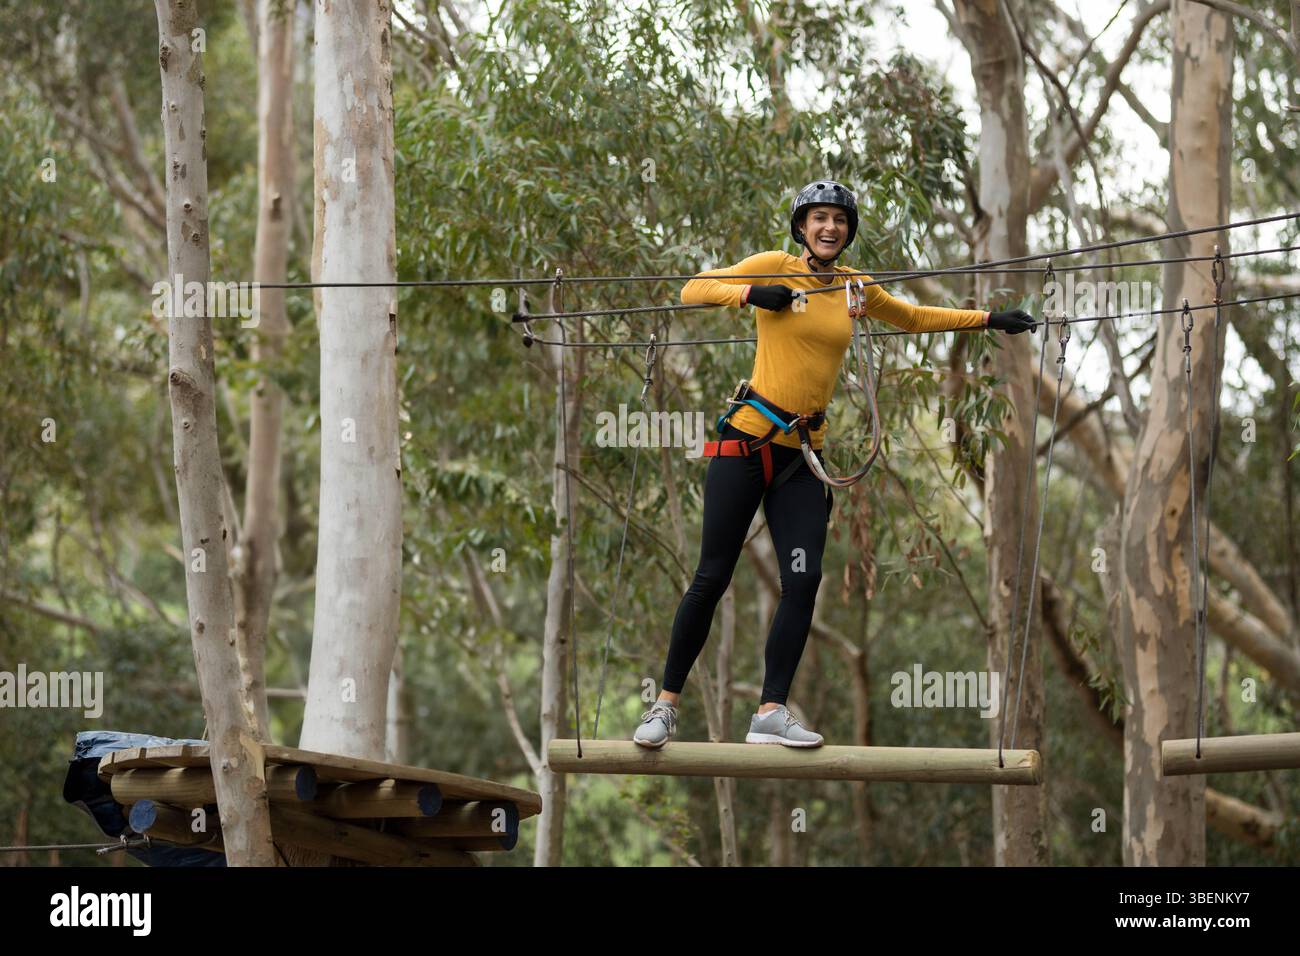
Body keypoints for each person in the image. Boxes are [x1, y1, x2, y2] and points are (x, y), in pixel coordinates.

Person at [632, 179, 1035, 749]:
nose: (829, 228)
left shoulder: (854, 288)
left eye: (839, 220)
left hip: (801, 456)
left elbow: (913, 317)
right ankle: (666, 706)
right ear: (802, 227)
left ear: (847, 231)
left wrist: (990, 320)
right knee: (712, 576)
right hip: (747, 445)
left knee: (804, 580)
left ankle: (771, 711)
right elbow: (692, 289)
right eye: (819, 218)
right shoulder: (774, 265)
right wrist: (750, 296)